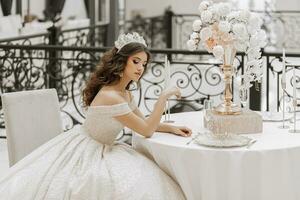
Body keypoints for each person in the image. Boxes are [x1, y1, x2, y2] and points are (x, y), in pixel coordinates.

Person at [0, 32, 192, 200]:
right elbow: (147, 131)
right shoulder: (111, 97)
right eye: (135, 61)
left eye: (144, 63)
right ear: (121, 61)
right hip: (89, 152)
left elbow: (144, 123)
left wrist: (171, 128)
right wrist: (163, 97)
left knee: (148, 177)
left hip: (104, 146)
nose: (141, 68)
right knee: (138, 183)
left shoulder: (124, 93)